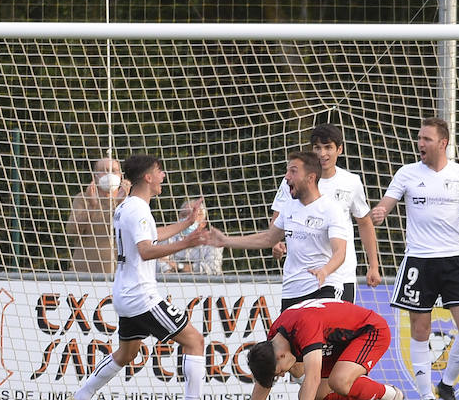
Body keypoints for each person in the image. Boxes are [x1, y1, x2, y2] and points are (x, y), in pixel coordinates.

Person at [64, 153, 218, 400]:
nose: (163, 176)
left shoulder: (127, 206)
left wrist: (186, 224)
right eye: (159, 171)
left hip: (125, 293)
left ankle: (82, 396)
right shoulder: (138, 209)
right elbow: (146, 250)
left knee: (127, 353)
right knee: (195, 341)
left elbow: (152, 236)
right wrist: (186, 242)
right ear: (147, 177)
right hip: (141, 295)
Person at [369, 117, 459, 400]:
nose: (420, 144)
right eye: (419, 138)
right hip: (419, 260)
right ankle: (427, 398)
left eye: (426, 139)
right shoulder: (407, 173)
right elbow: (385, 204)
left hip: (454, 260)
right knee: (421, 329)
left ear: (443, 143)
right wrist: (379, 212)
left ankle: (447, 385)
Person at [208, 150, 351, 309]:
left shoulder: (331, 209)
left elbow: (340, 252)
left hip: (323, 288)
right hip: (292, 291)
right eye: (287, 171)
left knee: (316, 325)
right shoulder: (289, 207)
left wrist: (324, 271)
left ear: (310, 178)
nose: (286, 177)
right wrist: (225, 240)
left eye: (293, 171)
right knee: (284, 327)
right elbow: (269, 238)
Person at [241, 298, 404, 400]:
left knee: (339, 382)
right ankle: (374, 393)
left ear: (280, 356)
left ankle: (390, 395)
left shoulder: (304, 327)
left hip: (371, 330)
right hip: (339, 341)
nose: (283, 375)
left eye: (280, 372)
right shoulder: (274, 339)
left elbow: (313, 377)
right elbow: (265, 380)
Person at [270, 124, 382, 300]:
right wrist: (275, 243)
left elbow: (364, 223)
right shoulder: (293, 180)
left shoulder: (351, 182)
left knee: (339, 320)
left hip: (341, 276)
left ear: (339, 149)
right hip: (303, 278)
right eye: (317, 148)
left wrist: (373, 266)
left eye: (328, 147)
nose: (322, 154)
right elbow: (277, 217)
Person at [66, 157, 129, 274]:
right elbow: (72, 231)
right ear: (95, 176)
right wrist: (92, 206)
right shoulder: (83, 198)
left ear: (121, 176)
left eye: (114, 171)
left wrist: (119, 202)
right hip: (83, 273)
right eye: (104, 170)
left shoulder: (129, 201)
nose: (109, 174)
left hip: (119, 274)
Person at [159, 199, 223, 275]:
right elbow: (160, 264)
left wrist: (179, 267)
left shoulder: (212, 243)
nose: (188, 218)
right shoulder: (167, 238)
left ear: (203, 223)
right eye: (184, 215)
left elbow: (213, 268)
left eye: (194, 215)